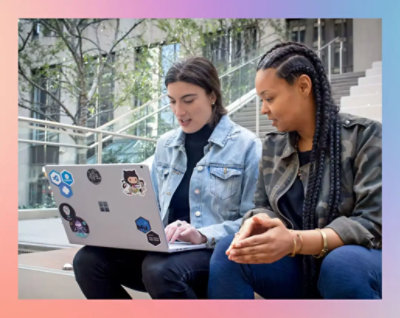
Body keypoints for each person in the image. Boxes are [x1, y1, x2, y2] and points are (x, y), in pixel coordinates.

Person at [72, 57, 261, 299]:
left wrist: (202, 234)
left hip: (212, 252)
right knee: (87, 261)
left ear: (212, 96)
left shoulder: (247, 146)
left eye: (188, 100)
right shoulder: (166, 145)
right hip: (164, 248)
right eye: (172, 101)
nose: (179, 111)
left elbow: (252, 222)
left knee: (159, 270)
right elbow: (150, 207)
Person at [208, 42, 382, 299]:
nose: (263, 109)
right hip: (298, 265)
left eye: (269, 98)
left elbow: (373, 223)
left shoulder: (365, 136)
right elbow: (262, 205)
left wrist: (294, 241)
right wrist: (258, 224)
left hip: (358, 262)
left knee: (341, 266)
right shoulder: (272, 146)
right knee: (231, 251)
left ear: (303, 86)